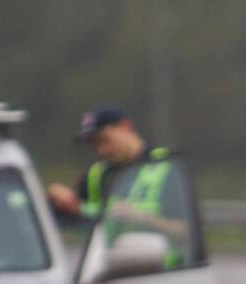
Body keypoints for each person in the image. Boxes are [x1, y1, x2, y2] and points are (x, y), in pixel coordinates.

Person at [46, 105, 186, 267]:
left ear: (125, 126)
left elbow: (186, 232)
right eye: (94, 144)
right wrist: (56, 196)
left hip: (163, 276)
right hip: (110, 277)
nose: (101, 150)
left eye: (104, 140)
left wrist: (141, 218)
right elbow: (79, 209)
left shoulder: (167, 166)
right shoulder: (97, 174)